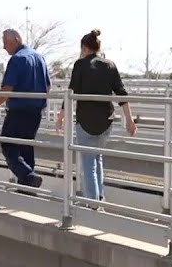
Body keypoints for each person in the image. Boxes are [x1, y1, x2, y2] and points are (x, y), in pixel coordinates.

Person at [56, 29, 135, 202]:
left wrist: (61, 117)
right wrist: (129, 119)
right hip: (106, 120)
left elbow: (70, 93)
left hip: (86, 121)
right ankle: (99, 197)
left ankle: (92, 202)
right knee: (97, 158)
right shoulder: (110, 65)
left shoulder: (80, 65)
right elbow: (121, 93)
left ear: (84, 47)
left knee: (88, 163)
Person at [0, 29, 50, 188]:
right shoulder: (39, 57)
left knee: (7, 144)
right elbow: (48, 86)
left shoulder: (17, 59)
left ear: (16, 40)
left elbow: (7, 90)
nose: (4, 47)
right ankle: (28, 187)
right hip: (35, 111)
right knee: (26, 147)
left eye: (5, 43)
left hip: (18, 111)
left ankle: (27, 175)